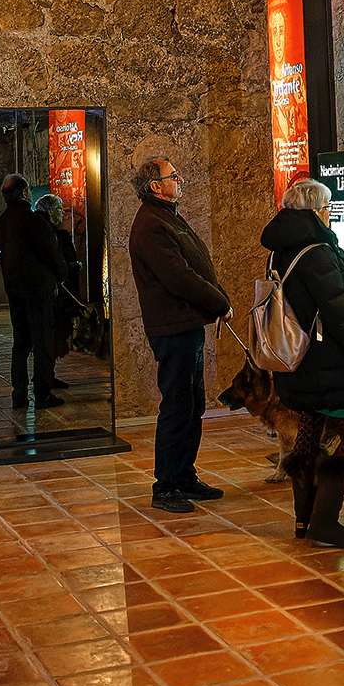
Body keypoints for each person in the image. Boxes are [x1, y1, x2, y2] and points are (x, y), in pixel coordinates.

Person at [261, 176, 344, 549]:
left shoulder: (281, 248)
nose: (330, 213)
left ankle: (303, 519)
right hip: (328, 364)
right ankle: (325, 521)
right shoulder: (318, 253)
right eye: (326, 206)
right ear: (314, 211)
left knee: (308, 435)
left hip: (299, 364)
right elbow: (340, 318)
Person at [128, 157, 232, 514]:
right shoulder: (152, 225)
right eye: (174, 176)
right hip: (173, 328)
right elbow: (179, 276)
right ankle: (166, 485)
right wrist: (218, 301)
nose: (181, 179)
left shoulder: (165, 215)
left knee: (192, 405)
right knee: (176, 407)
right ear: (156, 185)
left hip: (186, 324)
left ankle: (184, 476)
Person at [0, 174, 66, 409]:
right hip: (38, 290)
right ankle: (42, 393)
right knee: (43, 341)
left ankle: (19, 393)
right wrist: (61, 274)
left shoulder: (2, 222)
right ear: (25, 193)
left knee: (21, 342)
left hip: (15, 291)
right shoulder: (33, 220)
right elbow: (51, 253)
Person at [36, 192, 82, 356]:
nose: (62, 213)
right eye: (58, 209)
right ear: (50, 211)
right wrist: (71, 267)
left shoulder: (53, 233)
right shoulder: (52, 234)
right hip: (57, 292)